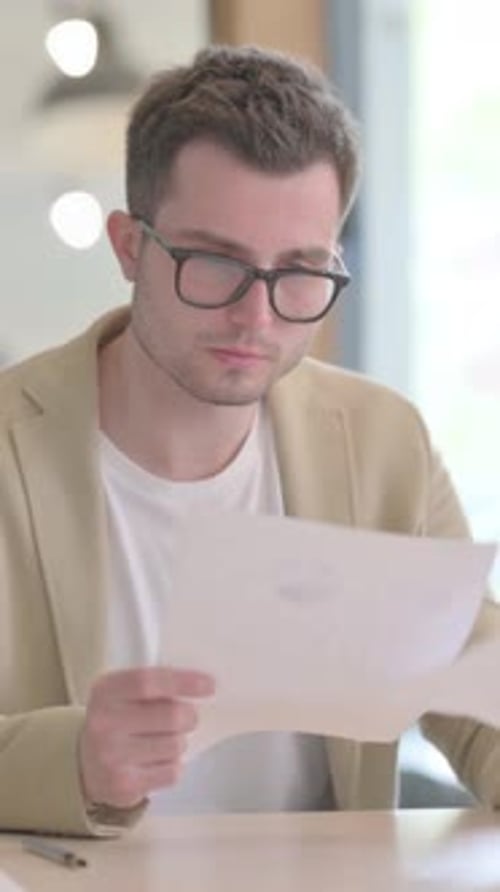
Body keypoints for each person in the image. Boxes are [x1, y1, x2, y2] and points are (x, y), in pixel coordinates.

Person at [1, 43, 499, 837]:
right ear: (130, 246)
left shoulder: (382, 441)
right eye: (214, 262)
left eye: (300, 269)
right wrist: (72, 762)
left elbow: (476, 692)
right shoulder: (11, 447)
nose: (256, 318)